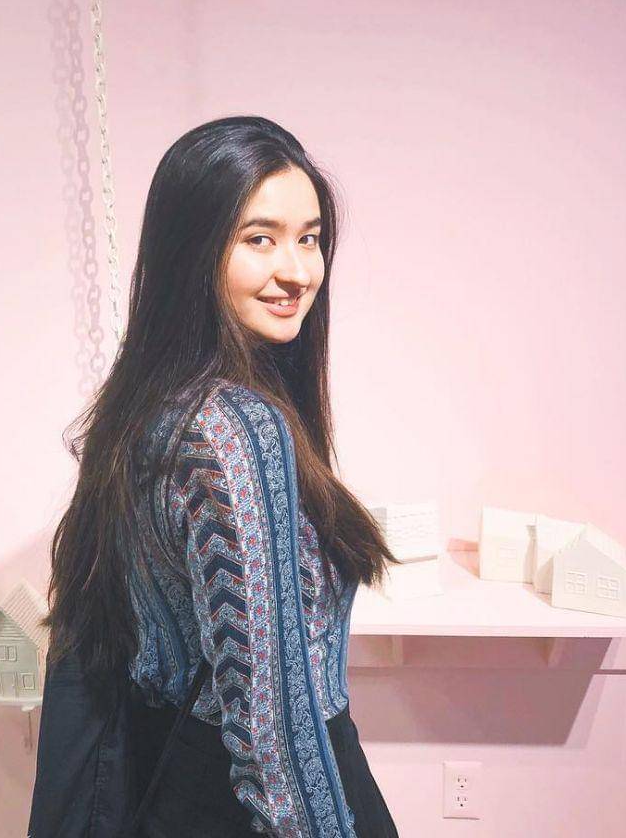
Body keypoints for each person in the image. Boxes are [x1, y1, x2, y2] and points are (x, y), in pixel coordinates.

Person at [30, 115, 401, 837]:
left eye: (310, 238)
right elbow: (272, 729)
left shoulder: (152, 407)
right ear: (194, 251)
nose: (297, 271)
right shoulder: (235, 430)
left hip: (178, 783)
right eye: (259, 239)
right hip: (253, 801)